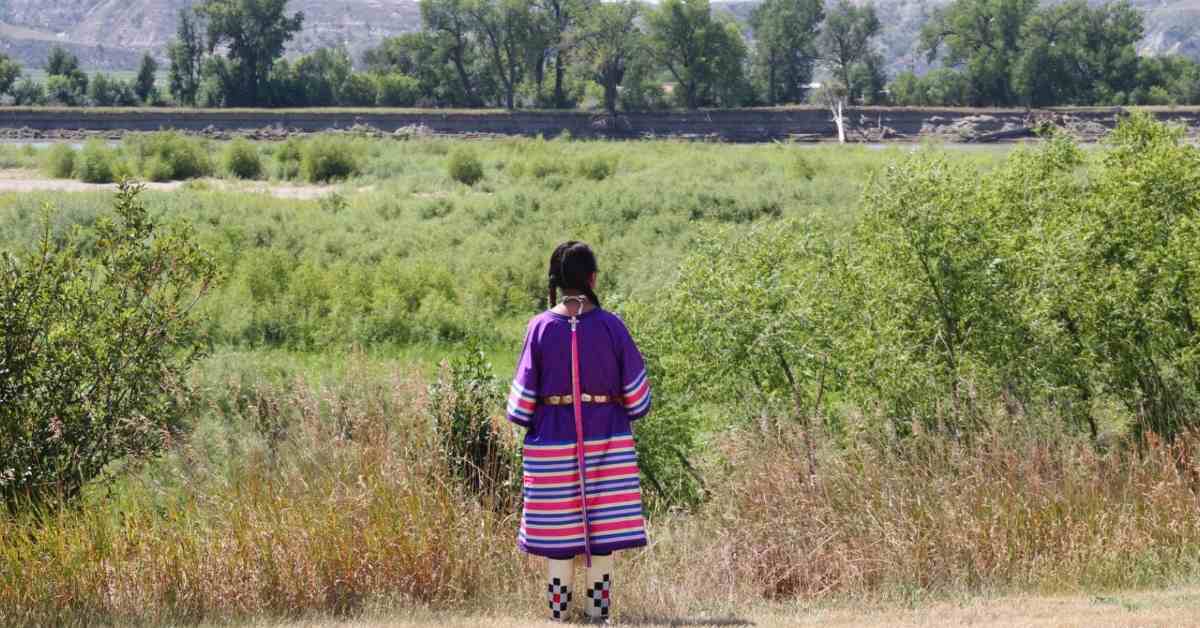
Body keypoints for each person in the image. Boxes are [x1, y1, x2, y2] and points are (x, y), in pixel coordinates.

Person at [505, 241, 652, 623]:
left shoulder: (539, 327)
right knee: (602, 534)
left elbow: (520, 406)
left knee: (559, 537)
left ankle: (559, 615)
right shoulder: (611, 325)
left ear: (556, 280)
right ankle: (598, 614)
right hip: (607, 439)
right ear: (591, 278)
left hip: (551, 442)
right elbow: (638, 396)